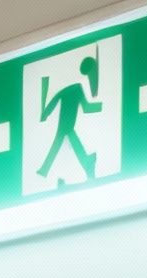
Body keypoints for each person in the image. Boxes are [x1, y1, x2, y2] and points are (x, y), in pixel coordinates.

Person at [38, 54, 103, 183]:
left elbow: (58, 98)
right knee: (62, 141)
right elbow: (84, 107)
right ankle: (85, 162)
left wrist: (46, 112)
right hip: (66, 122)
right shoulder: (75, 88)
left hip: (67, 123)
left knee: (61, 141)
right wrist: (46, 113)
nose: (91, 79)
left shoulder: (75, 88)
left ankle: (45, 169)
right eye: (90, 75)